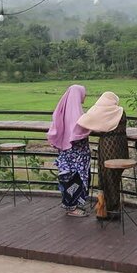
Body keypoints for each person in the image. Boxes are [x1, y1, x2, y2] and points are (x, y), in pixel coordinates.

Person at [77, 92, 128, 219]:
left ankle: (107, 209)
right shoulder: (120, 111)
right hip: (121, 145)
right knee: (114, 177)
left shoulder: (98, 111)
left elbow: (83, 121)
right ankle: (113, 208)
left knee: (106, 175)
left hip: (107, 145)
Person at [47, 85, 91, 217]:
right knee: (75, 180)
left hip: (66, 153)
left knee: (67, 179)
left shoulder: (62, 110)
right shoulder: (76, 113)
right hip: (76, 156)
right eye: (84, 94)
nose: (85, 96)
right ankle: (72, 208)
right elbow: (80, 131)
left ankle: (70, 205)